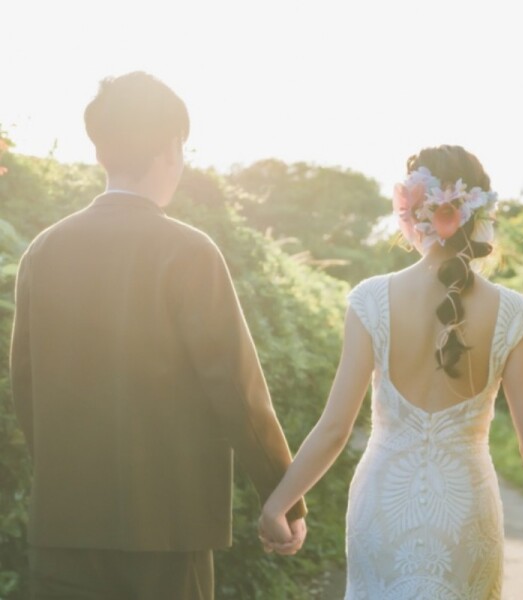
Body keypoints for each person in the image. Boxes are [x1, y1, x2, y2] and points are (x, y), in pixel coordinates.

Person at [9, 71, 306, 600]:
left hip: (65, 528)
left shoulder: (43, 251)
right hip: (168, 531)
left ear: (101, 153)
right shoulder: (189, 251)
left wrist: (64, 479)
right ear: (171, 149)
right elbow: (238, 392)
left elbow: (26, 388)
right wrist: (283, 496)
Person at [259, 145, 523, 599]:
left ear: (411, 213)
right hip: (466, 514)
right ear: (481, 214)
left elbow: (335, 429)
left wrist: (278, 505)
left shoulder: (371, 299)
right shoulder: (513, 314)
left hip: (383, 508)